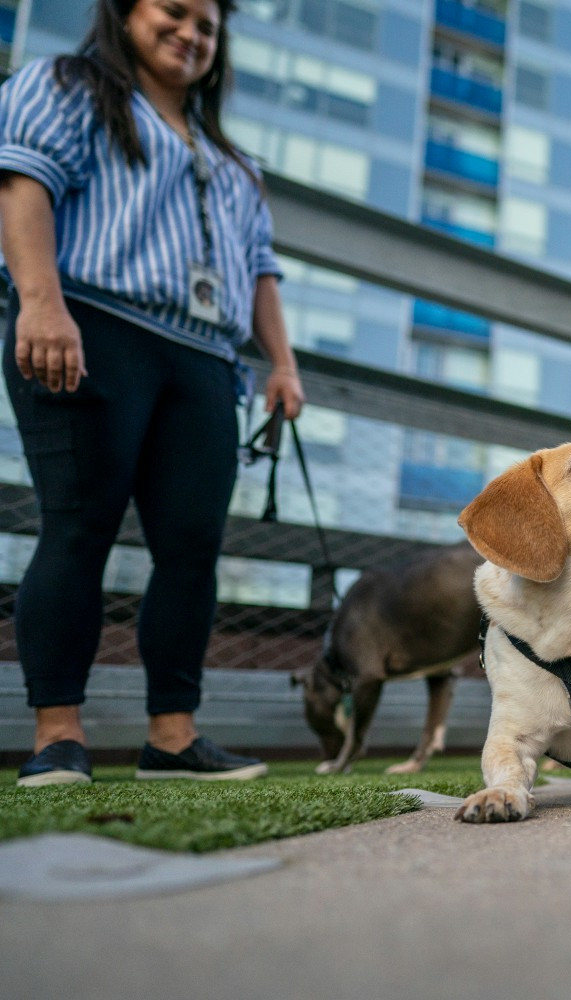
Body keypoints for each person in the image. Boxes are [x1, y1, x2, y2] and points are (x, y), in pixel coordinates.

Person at [2, 0, 304, 786]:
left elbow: (261, 266)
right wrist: (40, 301)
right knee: (78, 527)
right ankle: (58, 734)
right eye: (173, 11)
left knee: (192, 551)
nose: (191, 33)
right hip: (92, 325)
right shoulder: (68, 86)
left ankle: (172, 738)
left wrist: (282, 364)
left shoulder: (236, 163)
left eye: (207, 25)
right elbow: (22, 181)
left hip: (205, 359)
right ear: (125, 12)